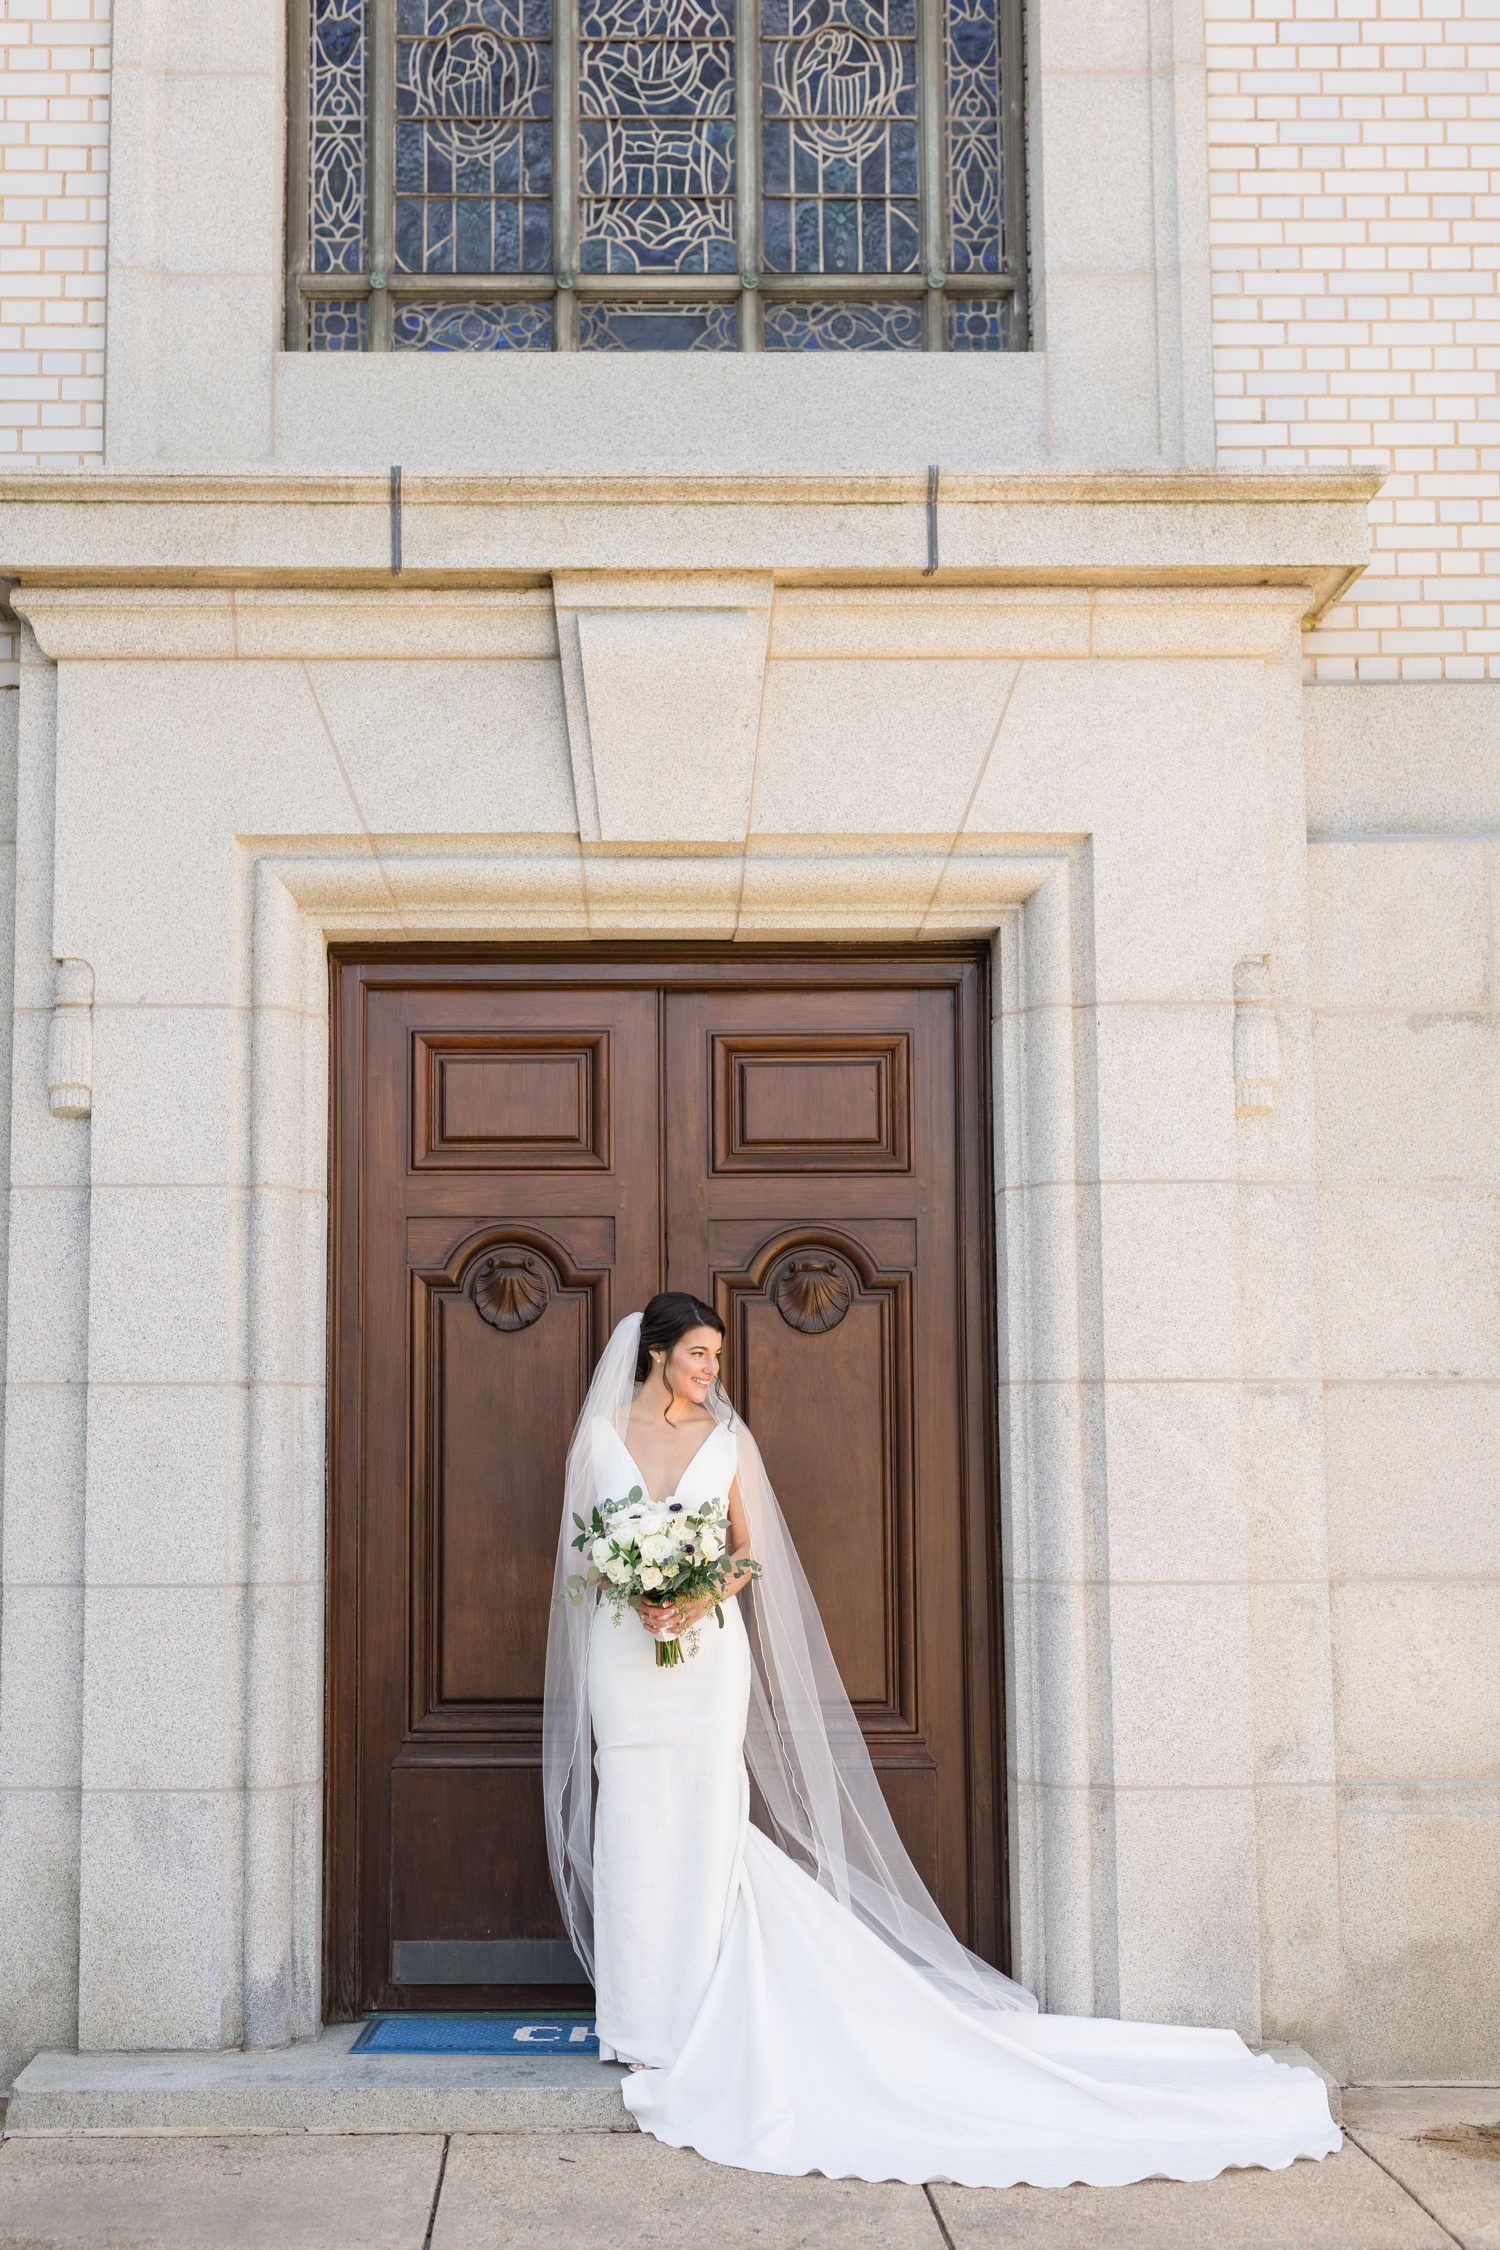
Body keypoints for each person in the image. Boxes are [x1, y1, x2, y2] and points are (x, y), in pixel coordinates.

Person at [542, 1295, 1341, 2189]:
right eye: (696, 1355)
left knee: (701, 1821)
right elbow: (582, 1556)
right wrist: (636, 1590)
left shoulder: (728, 1441)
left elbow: (745, 1553)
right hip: (624, 1655)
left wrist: (692, 1599)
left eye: (715, 1356)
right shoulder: (601, 1439)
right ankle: (636, 2020)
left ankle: (694, 2016)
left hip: (702, 1662)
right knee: (634, 1825)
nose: (710, 1371)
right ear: (654, 1356)